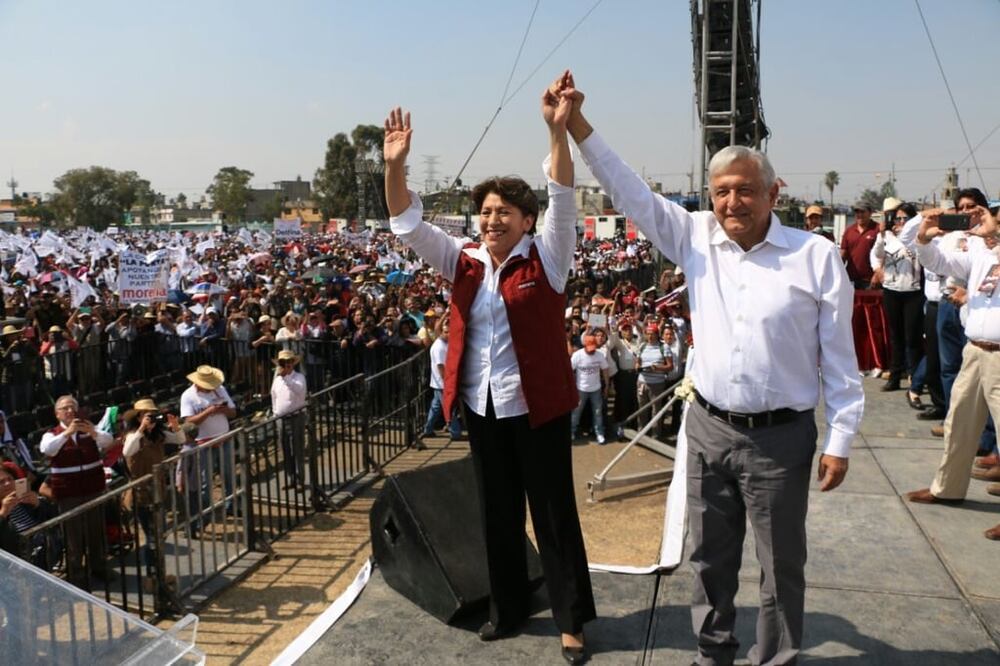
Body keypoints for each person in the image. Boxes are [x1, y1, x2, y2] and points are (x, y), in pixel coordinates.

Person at [565, 75, 864, 665]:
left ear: (773, 193)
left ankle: (776, 659)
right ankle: (713, 656)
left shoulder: (815, 256)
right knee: (709, 562)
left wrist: (842, 437)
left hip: (782, 437)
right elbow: (629, 192)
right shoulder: (694, 238)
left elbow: (840, 358)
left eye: (746, 191)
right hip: (707, 429)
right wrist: (577, 124)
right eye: (722, 191)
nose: (733, 203)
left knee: (781, 569)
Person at [383, 70, 596, 663]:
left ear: (526, 220)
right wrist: (395, 167)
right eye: (485, 211)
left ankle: (572, 619)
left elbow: (564, 196)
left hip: (538, 408)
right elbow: (407, 224)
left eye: (504, 211)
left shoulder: (549, 258)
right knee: (496, 515)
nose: (492, 219)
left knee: (553, 517)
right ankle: (508, 609)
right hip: (482, 406)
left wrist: (557, 132)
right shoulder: (465, 262)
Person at [903, 205, 1000, 540]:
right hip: (975, 350)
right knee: (959, 423)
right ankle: (947, 488)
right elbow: (938, 264)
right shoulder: (980, 254)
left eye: (992, 219)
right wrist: (924, 237)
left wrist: (993, 235)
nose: (985, 223)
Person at [39, 395, 116, 585]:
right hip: (69, 494)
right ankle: (77, 576)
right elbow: (47, 449)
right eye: (65, 408)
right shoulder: (52, 434)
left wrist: (94, 432)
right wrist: (67, 433)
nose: (70, 411)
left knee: (96, 531)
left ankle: (99, 567)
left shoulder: (89, 429)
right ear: (57, 414)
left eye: (72, 407)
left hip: (92, 489)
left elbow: (108, 441)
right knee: (73, 537)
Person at [122, 398, 184, 589]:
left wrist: (175, 427)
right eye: (146, 415)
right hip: (141, 492)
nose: (150, 418)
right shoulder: (133, 435)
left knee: (159, 534)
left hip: (157, 489)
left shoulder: (158, 434)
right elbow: (127, 451)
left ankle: (158, 574)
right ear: (138, 417)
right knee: (151, 537)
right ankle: (152, 576)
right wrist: (141, 430)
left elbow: (180, 440)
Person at [870, 200, 924, 392]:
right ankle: (895, 375)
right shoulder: (887, 236)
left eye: (904, 218)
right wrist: (877, 268)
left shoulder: (917, 237)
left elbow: (906, 247)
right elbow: (876, 254)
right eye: (898, 218)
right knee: (896, 335)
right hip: (892, 290)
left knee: (912, 337)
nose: (900, 221)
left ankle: (915, 377)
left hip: (912, 291)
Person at [179, 365, 238, 517]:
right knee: (205, 481)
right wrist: (208, 411)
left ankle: (230, 505)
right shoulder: (188, 396)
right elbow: (188, 422)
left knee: (229, 475)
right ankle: (205, 512)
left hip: (224, 437)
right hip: (203, 443)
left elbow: (233, 412)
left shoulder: (220, 389)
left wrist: (221, 409)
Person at [271, 349, 308, 489]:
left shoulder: (299, 377)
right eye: (284, 362)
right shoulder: (277, 380)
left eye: (289, 362)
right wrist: (275, 414)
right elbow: (273, 396)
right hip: (281, 418)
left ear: (293, 363)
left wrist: (286, 378)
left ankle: (300, 480)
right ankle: (291, 478)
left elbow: (299, 391)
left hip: (296, 417)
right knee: (285, 449)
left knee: (297, 449)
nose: (287, 365)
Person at [421, 318, 462, 443]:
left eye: (450, 332)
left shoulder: (445, 343)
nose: (449, 334)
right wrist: (447, 383)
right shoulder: (439, 347)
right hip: (442, 383)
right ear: (442, 333)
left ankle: (428, 429)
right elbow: (441, 367)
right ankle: (455, 432)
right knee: (448, 407)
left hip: (439, 383)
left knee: (436, 407)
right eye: (446, 332)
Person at [570, 333, 609, 444]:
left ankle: (599, 433)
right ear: (584, 345)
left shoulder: (599, 355)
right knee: (576, 412)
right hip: (581, 389)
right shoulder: (577, 355)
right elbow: (570, 371)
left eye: (593, 348)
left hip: (596, 389)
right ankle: (571, 431)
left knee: (597, 412)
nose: (591, 351)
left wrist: (606, 385)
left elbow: (605, 370)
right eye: (589, 348)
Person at [841, 201, 879, 289]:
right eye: (857, 212)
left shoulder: (877, 229)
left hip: (871, 281)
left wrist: (877, 275)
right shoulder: (849, 231)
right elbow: (843, 255)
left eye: (862, 212)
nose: (859, 215)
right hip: (850, 280)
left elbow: (884, 256)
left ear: (870, 213)